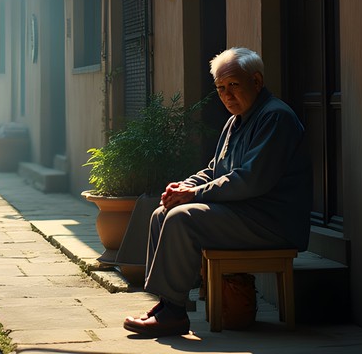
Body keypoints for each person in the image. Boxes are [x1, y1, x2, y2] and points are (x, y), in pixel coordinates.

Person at [123, 46, 312, 337]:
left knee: (182, 218)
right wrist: (184, 187)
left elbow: (250, 180)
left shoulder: (275, 118)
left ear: (257, 82)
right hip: (244, 213)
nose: (227, 95)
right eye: (221, 88)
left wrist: (193, 196)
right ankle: (168, 305)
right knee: (162, 212)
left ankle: (172, 315)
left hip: (271, 221)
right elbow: (215, 170)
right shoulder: (235, 121)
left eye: (234, 85)